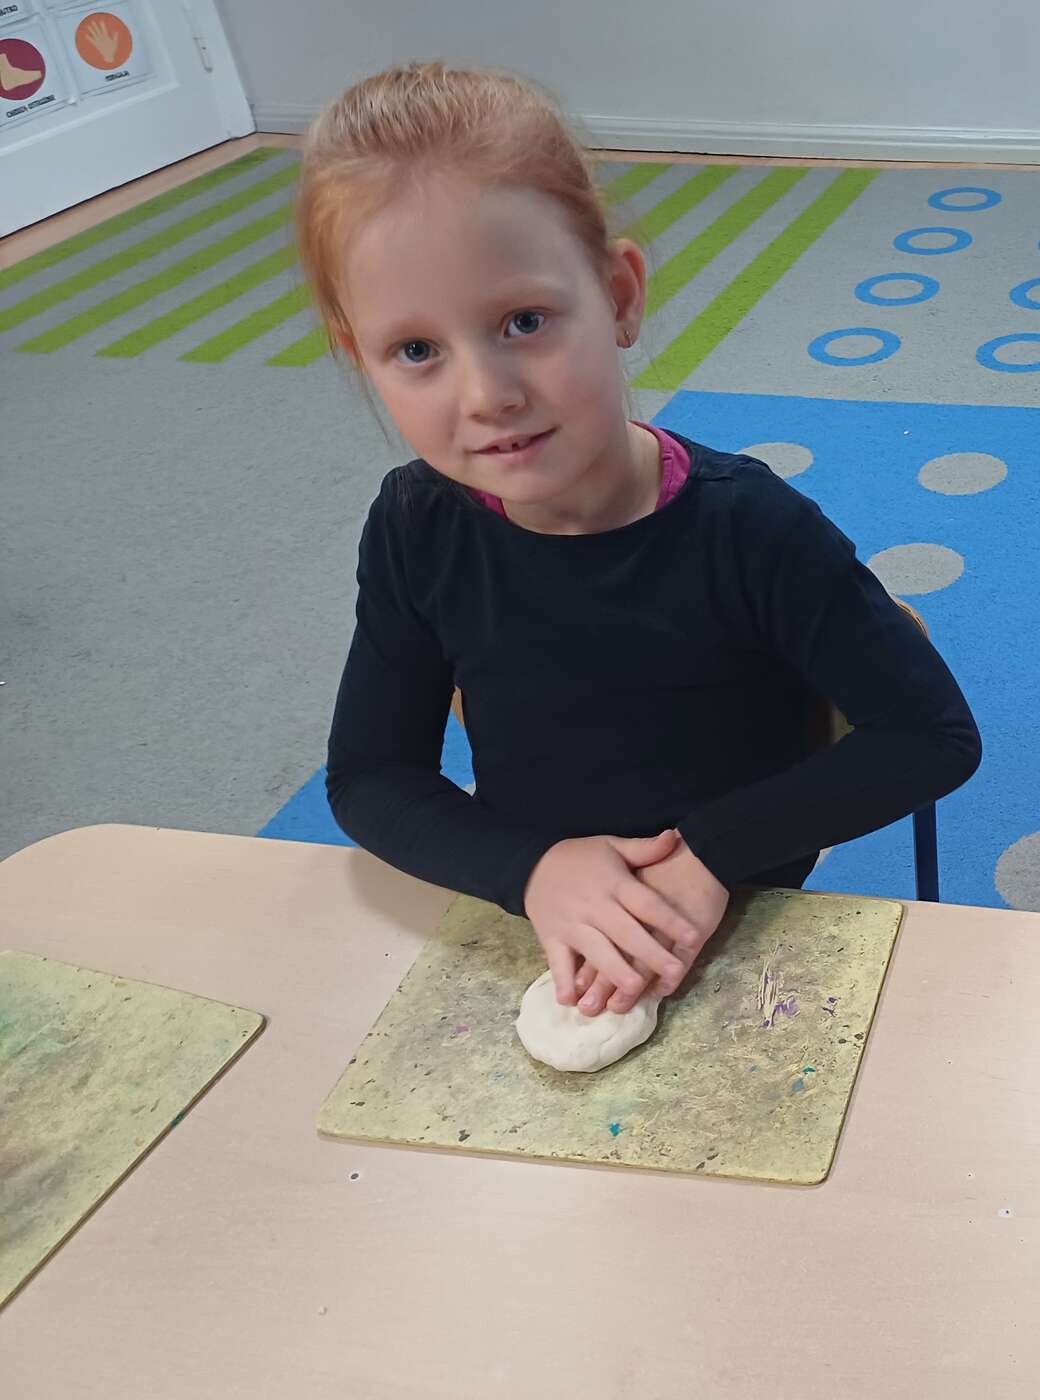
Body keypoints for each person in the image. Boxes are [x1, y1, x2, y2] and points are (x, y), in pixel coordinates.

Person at [305, 63, 980, 1020]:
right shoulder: (416, 527)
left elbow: (931, 737)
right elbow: (372, 777)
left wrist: (711, 855)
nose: (486, 395)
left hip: (745, 910)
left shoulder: (752, 528)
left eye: (524, 322)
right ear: (359, 354)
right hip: (538, 918)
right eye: (417, 351)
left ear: (620, 295)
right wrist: (533, 868)